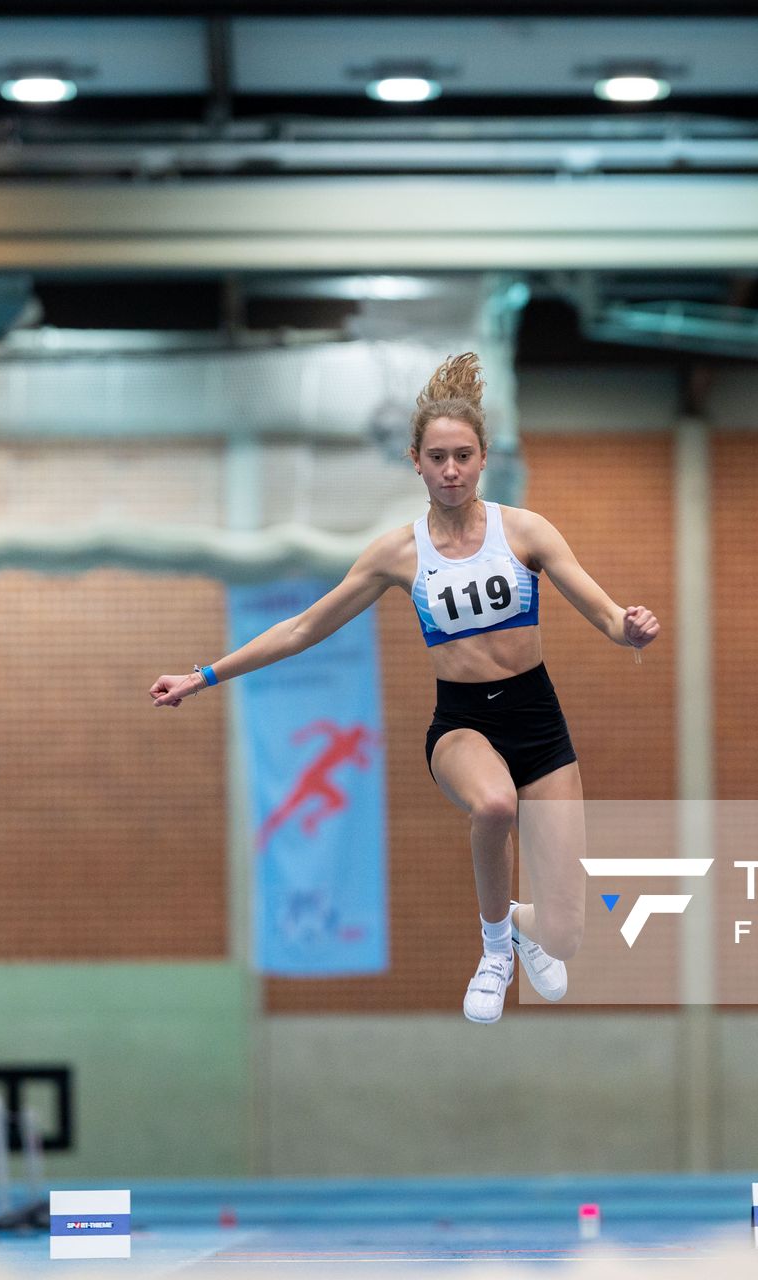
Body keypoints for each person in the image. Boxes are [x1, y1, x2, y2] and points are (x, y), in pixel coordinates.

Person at [150, 355, 658, 1023]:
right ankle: (496, 945)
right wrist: (206, 674)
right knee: (496, 806)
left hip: (541, 723)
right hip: (463, 726)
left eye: (464, 456)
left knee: (566, 934)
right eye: (437, 457)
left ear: (482, 462)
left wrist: (630, 629)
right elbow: (305, 626)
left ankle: (529, 932)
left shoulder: (526, 532)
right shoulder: (399, 553)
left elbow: (603, 613)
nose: (451, 470)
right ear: (415, 463)